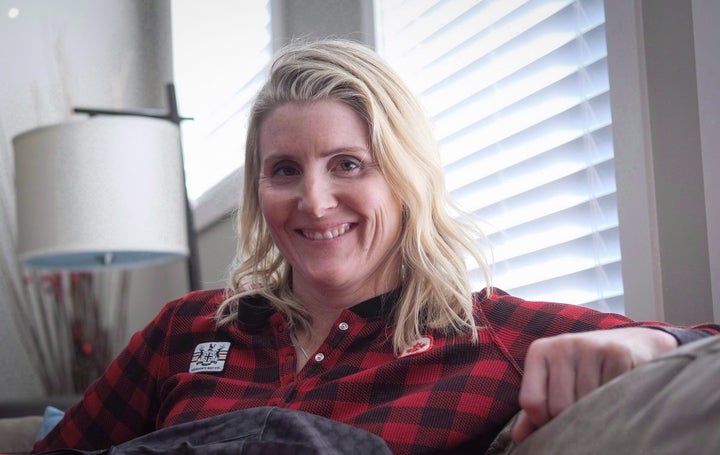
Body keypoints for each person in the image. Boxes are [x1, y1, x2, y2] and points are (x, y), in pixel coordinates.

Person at [33, 39, 720, 455]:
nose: (314, 201)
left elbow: (708, 346)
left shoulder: (488, 335)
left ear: (403, 178)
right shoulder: (185, 327)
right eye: (283, 171)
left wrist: (654, 341)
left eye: (348, 164)